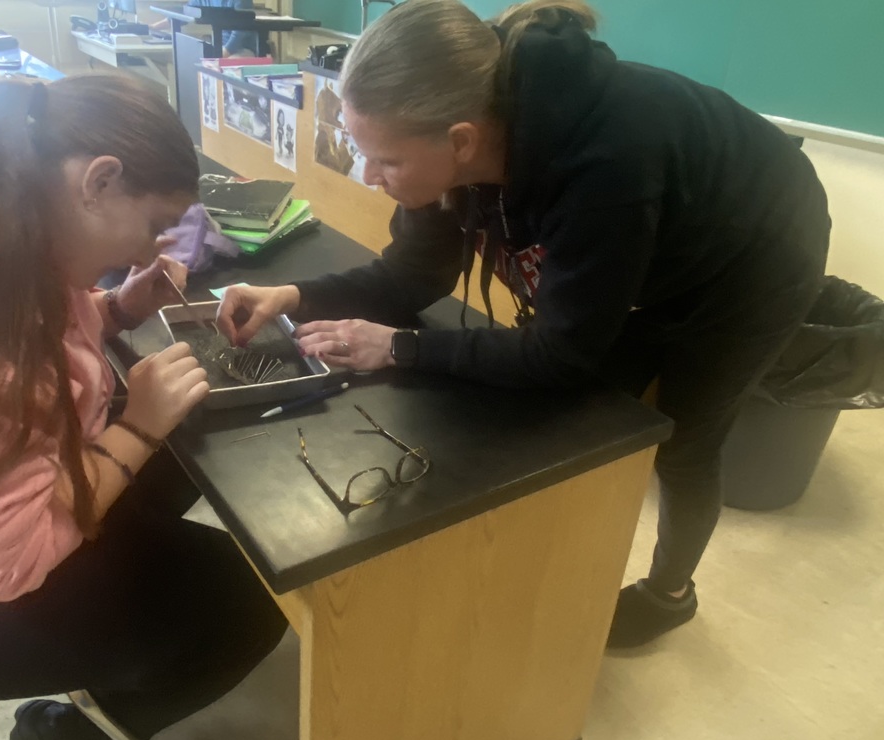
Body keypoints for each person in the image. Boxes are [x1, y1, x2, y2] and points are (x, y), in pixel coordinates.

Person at [215, 0, 831, 648]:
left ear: (460, 141)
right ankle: (540, 568)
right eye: (363, 154)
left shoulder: (605, 161)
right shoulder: (460, 120)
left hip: (759, 253)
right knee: (577, 414)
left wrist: (399, 346)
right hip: (661, 231)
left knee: (685, 439)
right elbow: (411, 276)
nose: (370, 178)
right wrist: (291, 295)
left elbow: (560, 355)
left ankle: (670, 594)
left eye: (387, 162)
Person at [0, 73, 286, 740]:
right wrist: (137, 429)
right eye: (152, 226)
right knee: (246, 603)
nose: (150, 251)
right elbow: (5, 568)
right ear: (100, 181)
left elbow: (40, 320)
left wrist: (117, 309)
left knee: (184, 450)